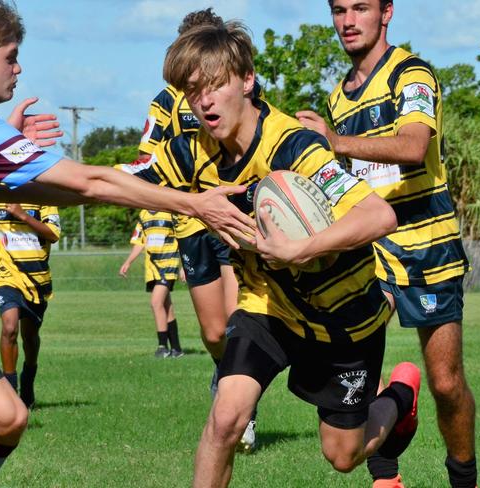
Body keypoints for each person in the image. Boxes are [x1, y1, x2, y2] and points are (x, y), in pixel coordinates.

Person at [0, 1, 252, 487]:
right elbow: (91, 182)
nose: (19, 68)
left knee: (8, 418)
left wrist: (4, 143)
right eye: (11, 56)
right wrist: (194, 203)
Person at [117, 21, 422, 487]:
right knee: (225, 420)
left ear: (246, 79)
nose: (204, 101)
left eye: (215, 85)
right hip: (269, 307)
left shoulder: (294, 145)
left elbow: (378, 217)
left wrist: (300, 248)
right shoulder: (190, 152)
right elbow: (112, 185)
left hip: (344, 318)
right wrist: (17, 166)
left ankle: (399, 397)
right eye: (193, 90)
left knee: (343, 455)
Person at [296, 2, 476, 487]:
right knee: (360, 360)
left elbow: (414, 145)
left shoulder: (410, 74)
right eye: (339, 10)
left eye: (361, 8)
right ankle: (386, 475)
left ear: (386, 12)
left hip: (426, 245)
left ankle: (464, 479)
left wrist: (334, 142)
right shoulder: (337, 98)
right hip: (368, 250)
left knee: (445, 382)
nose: (348, 20)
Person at [138, 7, 257, 452]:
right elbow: (147, 160)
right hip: (190, 219)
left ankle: (240, 404)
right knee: (211, 334)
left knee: (234, 323)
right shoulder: (167, 101)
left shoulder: (240, 87)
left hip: (232, 215)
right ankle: (227, 375)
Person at [0, 202, 60, 408]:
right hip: (6, 275)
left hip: (36, 280)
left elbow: (53, 234)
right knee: (10, 327)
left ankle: (28, 380)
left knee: (30, 338)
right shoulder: (0, 194)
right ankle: (10, 393)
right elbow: (0, 220)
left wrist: (24, 216)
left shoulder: (43, 198)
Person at [119, 210, 184, 358]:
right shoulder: (143, 215)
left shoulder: (169, 213)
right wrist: (128, 262)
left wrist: (184, 266)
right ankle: (176, 349)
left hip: (169, 264)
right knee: (166, 307)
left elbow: (182, 239)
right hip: (153, 268)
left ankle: (162, 347)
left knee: (155, 303)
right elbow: (139, 242)